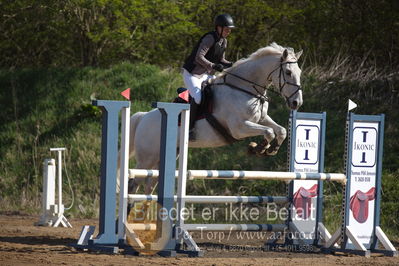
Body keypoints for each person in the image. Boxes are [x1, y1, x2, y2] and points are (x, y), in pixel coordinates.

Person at [182, 13, 235, 138]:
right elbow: (199, 57)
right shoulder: (209, 38)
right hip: (193, 74)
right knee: (198, 98)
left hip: (206, 75)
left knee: (218, 92)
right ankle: (189, 129)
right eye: (227, 29)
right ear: (219, 28)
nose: (229, 32)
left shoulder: (224, 41)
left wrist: (234, 64)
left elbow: (221, 59)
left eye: (230, 30)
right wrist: (213, 66)